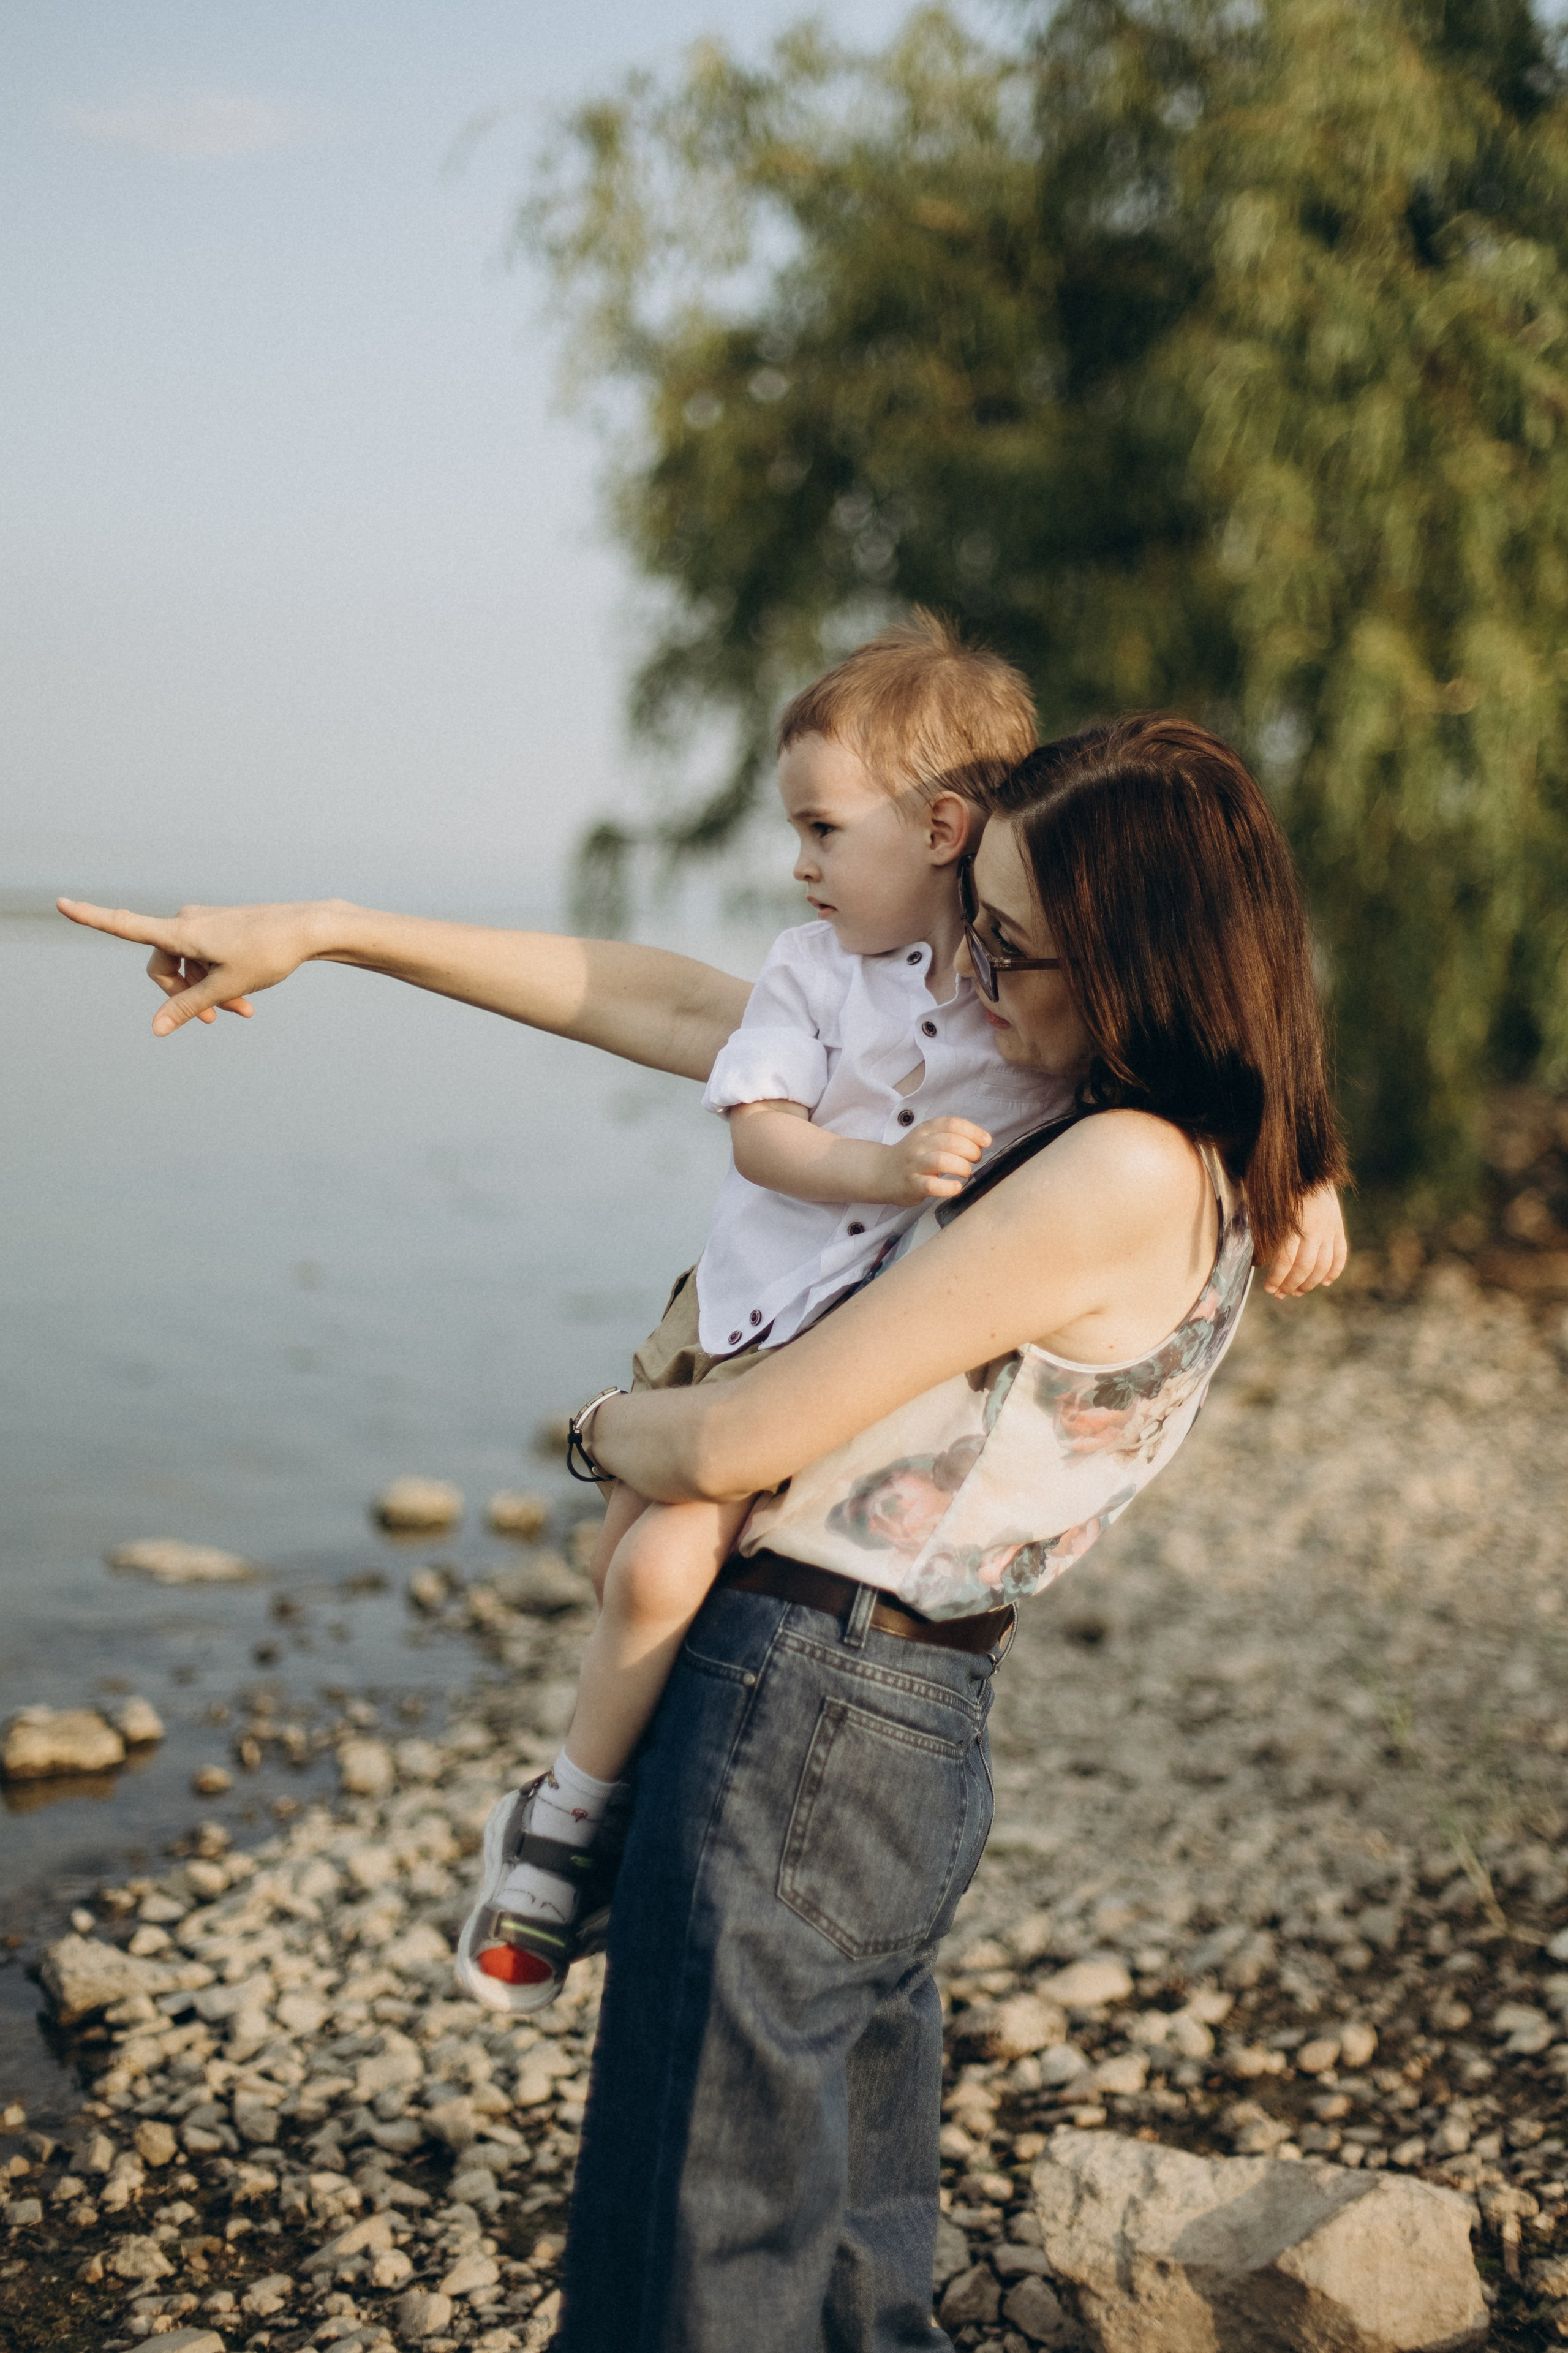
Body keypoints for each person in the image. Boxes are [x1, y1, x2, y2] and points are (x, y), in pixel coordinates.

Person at [60, 706, 1348, 2352]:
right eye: (976, 930)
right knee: (838, 2265)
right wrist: (333, 926)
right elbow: (672, 1003)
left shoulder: (1109, 1163)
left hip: (805, 1705)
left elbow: (746, 1430)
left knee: (691, 2269)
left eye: (1012, 948)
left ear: (1138, 962)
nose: (972, 976)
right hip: (905, 1723)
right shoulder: (1185, 1142)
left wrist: (600, 1428)